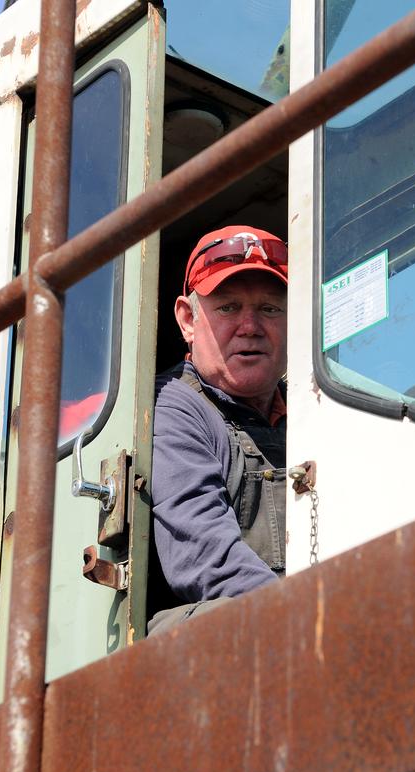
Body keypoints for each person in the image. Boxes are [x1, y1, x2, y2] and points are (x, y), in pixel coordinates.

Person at [147, 225, 297, 635]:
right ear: (187, 320)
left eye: (270, 309)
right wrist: (308, 624)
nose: (250, 326)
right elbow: (208, 558)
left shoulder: (316, 409)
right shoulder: (174, 408)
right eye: (228, 308)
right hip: (235, 648)